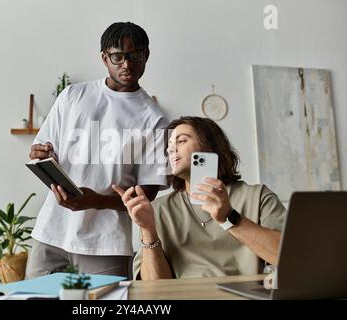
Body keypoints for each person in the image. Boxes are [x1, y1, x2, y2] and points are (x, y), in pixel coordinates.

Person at [25, 22, 169, 279]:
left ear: (146, 56)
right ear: (105, 58)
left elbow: (146, 194)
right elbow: (44, 151)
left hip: (106, 243)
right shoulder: (72, 96)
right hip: (51, 232)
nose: (127, 64)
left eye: (135, 55)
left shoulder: (154, 119)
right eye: (118, 56)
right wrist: (41, 154)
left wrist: (95, 201)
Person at [113, 116, 286, 280]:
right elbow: (154, 288)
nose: (171, 148)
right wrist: (148, 230)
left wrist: (229, 217)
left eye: (181, 141)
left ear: (209, 147)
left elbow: (290, 258)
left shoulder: (257, 196)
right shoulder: (158, 209)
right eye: (169, 144)